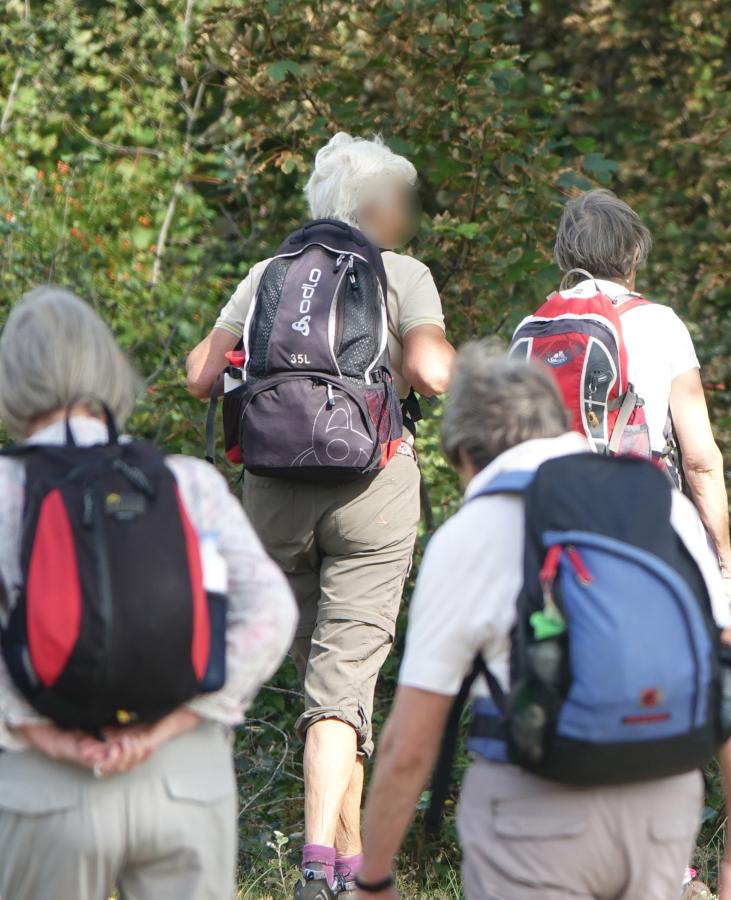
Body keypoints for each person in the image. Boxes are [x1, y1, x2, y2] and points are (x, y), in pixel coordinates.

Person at [354, 345, 731, 900]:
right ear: (555, 422)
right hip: (665, 803)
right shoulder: (661, 506)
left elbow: (410, 743)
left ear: (463, 453)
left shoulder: (473, 530)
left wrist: (375, 874)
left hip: (534, 813)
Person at [184, 133, 456, 898]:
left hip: (271, 496)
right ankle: (315, 867)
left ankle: (359, 873)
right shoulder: (401, 273)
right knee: (342, 693)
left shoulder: (270, 273)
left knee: (335, 691)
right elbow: (433, 373)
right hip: (370, 493)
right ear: (374, 207)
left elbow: (201, 376)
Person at [0, 286, 297, 899]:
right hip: (184, 781)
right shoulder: (183, 482)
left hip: (45, 792)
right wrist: (175, 725)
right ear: (108, 369)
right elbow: (271, 611)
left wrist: (43, 734)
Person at [550, 190, 731, 605]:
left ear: (565, 256)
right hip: (642, 521)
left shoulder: (534, 327)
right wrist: (722, 562)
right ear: (634, 253)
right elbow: (700, 460)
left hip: (555, 525)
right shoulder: (661, 324)